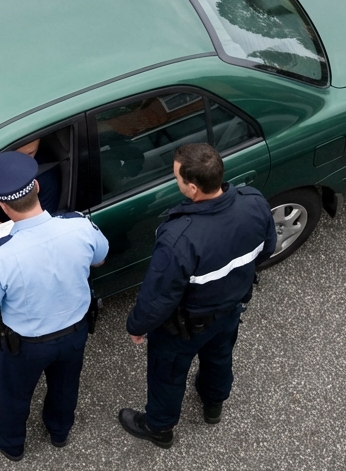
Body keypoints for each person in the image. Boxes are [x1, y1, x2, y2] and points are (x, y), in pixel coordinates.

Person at [118, 143, 275, 449]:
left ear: (192, 188)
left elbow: (159, 295)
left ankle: (159, 428)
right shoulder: (253, 202)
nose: (175, 182)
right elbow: (266, 249)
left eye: (176, 178)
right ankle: (213, 404)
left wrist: (137, 326)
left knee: (168, 374)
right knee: (219, 357)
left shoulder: (180, 238)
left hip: (185, 327)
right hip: (231, 309)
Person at [0, 151, 108, 460]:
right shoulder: (80, 225)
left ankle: (11, 442)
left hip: (26, 346)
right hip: (75, 332)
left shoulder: (0, 254)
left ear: (2, 206)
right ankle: (59, 431)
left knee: (15, 395)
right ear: (37, 188)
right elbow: (100, 258)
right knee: (65, 385)